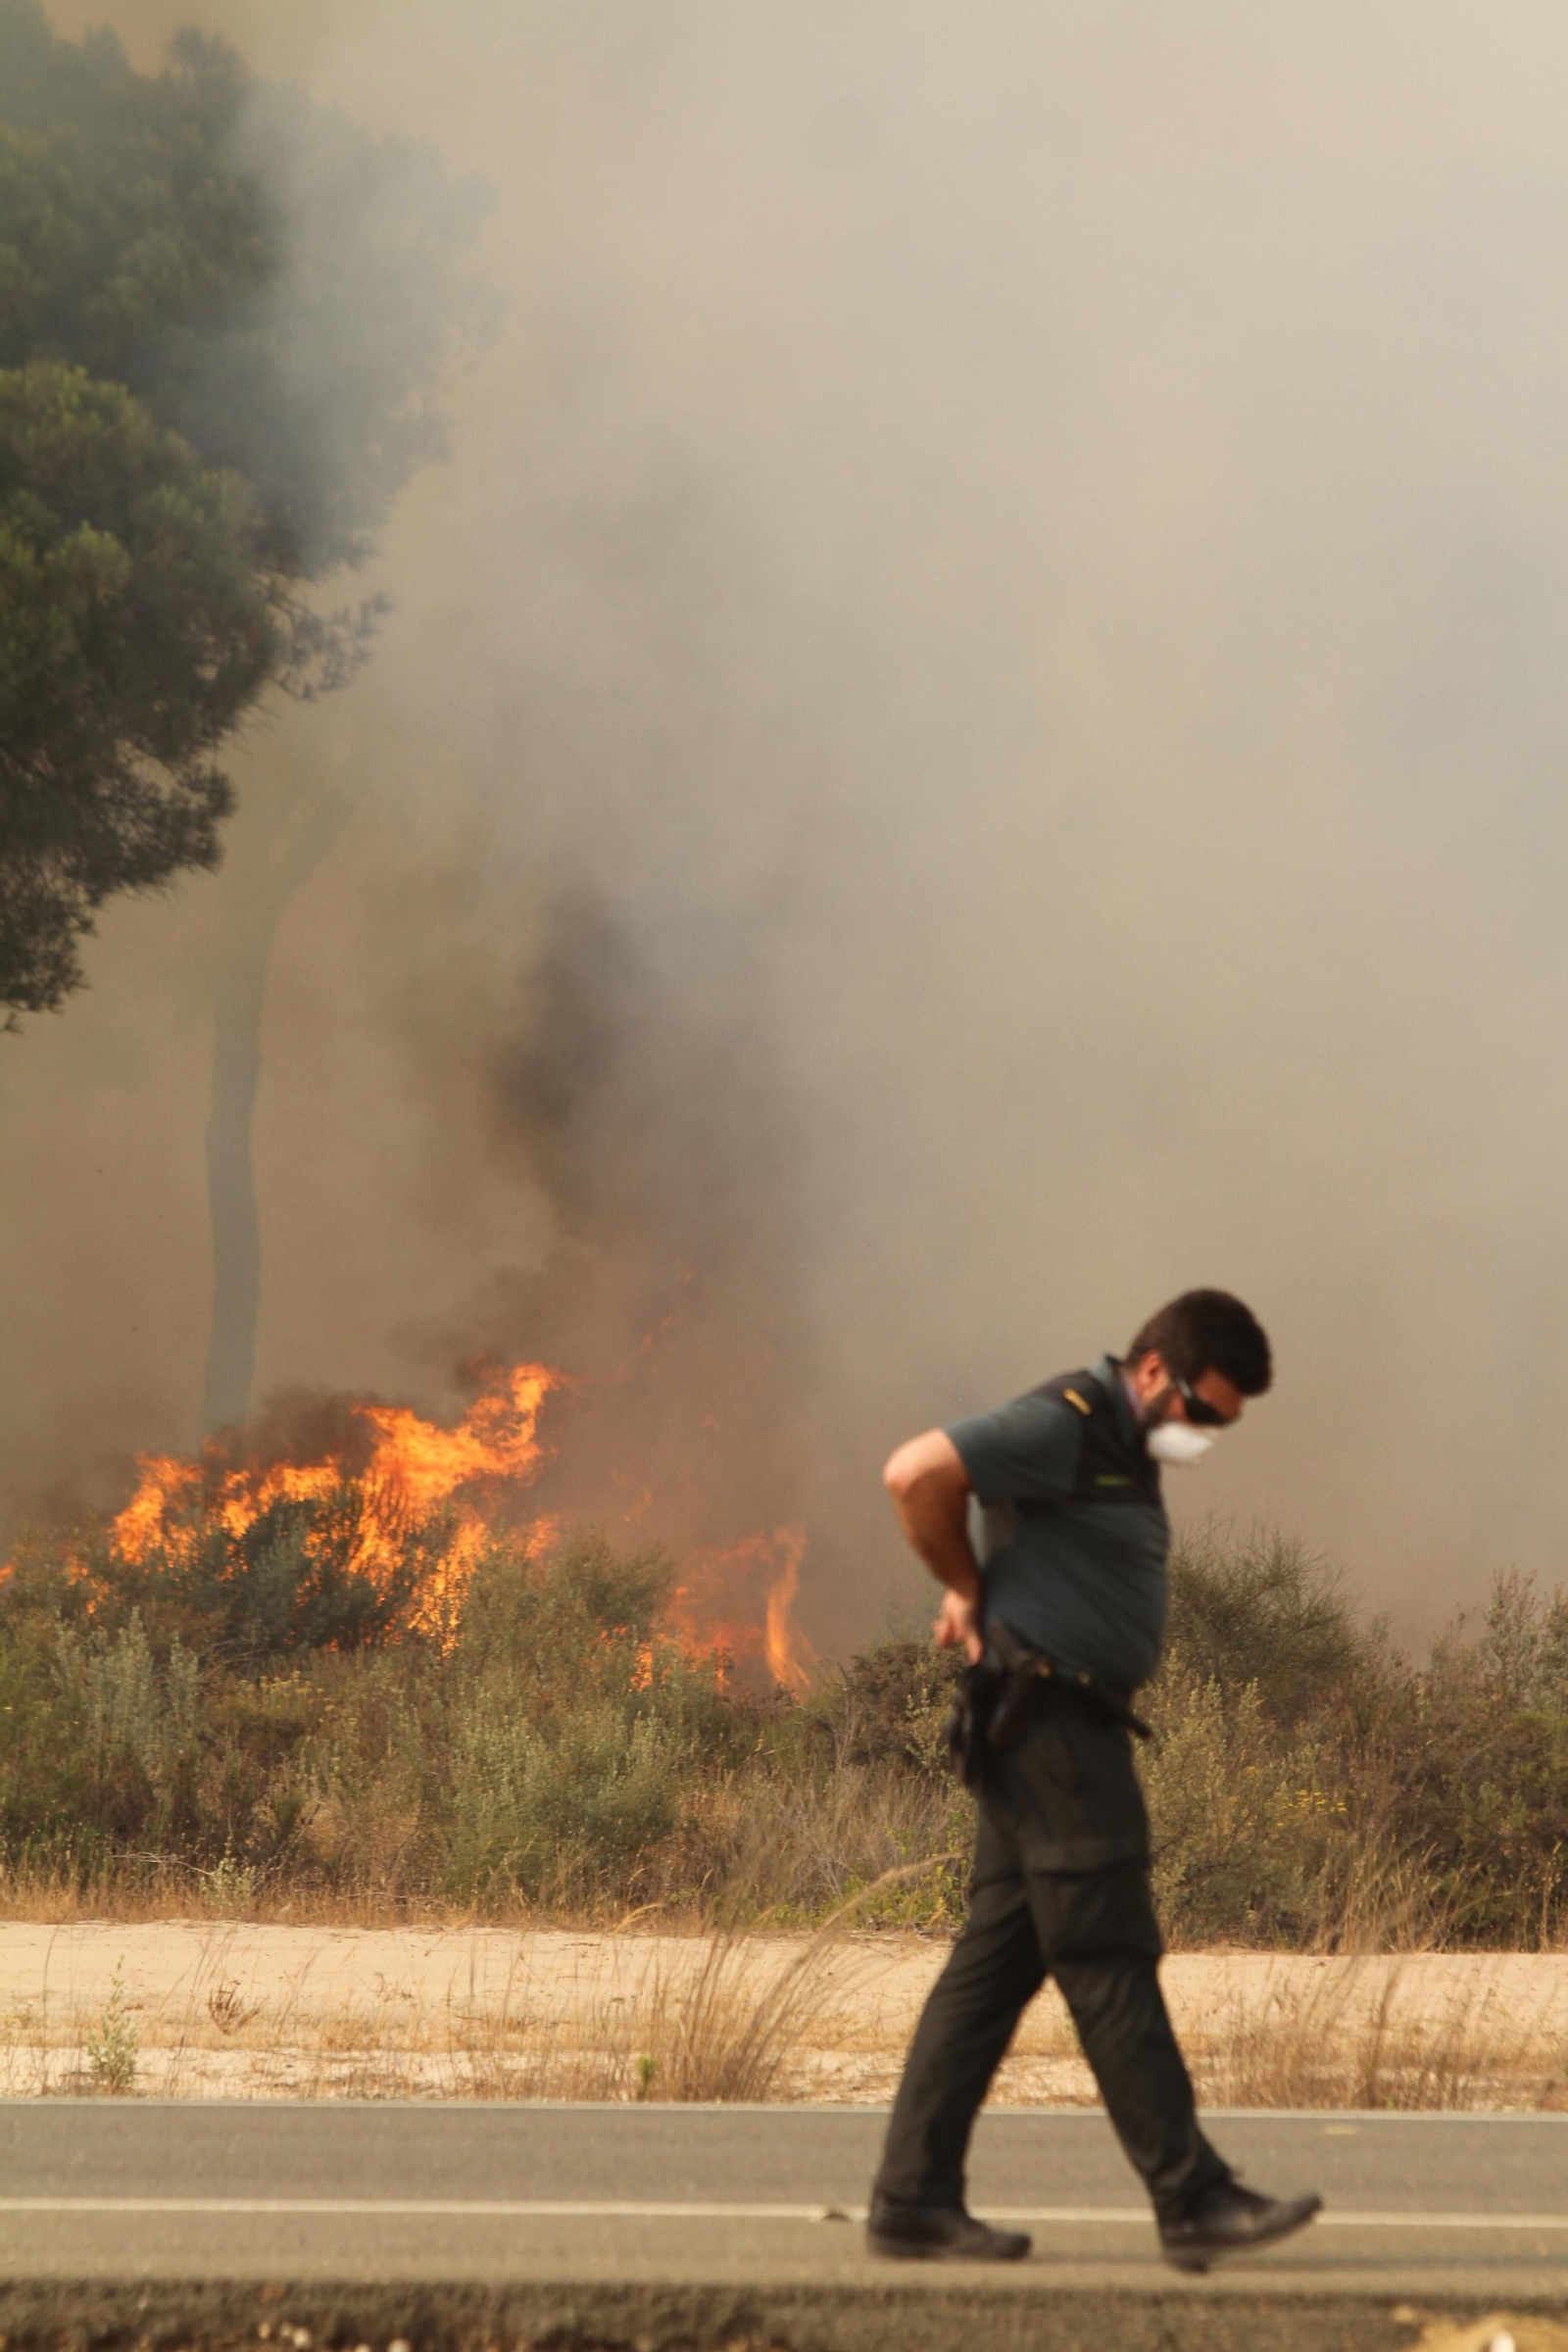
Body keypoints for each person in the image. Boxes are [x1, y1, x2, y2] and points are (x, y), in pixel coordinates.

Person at [866, 1288, 1321, 2272]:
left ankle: (910, 2201)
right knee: (1108, 1956)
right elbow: (915, 1472)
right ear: (1152, 1370)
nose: (1202, 1435)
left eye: (1221, 1425)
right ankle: (1191, 2196)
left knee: (991, 1971)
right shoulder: (1065, 1422)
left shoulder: (1118, 1444)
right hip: (1053, 1731)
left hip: (1049, 1727)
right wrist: (964, 1584)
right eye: (1200, 1412)